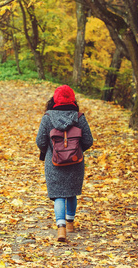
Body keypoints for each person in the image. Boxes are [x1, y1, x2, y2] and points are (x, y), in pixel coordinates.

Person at [36, 85, 93, 242]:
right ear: (73, 99)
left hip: (54, 162)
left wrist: (50, 151)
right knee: (71, 192)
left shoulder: (48, 117)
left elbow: (40, 141)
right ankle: (70, 224)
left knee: (59, 194)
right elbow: (88, 140)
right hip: (76, 161)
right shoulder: (79, 117)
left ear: (55, 99)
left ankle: (61, 228)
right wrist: (76, 151)